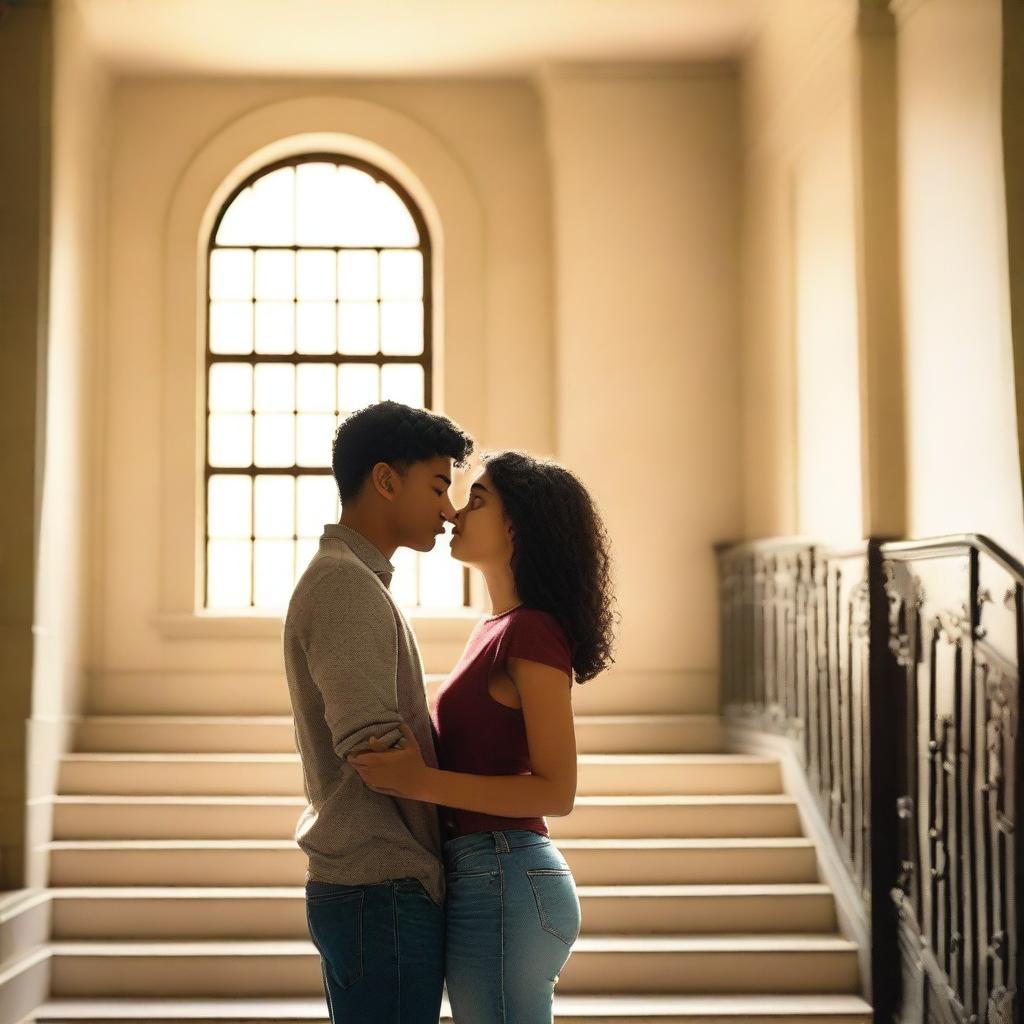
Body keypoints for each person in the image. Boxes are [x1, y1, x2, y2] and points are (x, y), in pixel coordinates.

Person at [348, 449, 618, 1022]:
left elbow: (555, 792)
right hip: (485, 875)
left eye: (478, 499)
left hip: (507, 876)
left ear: (521, 524)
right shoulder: (495, 629)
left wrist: (422, 782)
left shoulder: (533, 632)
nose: (454, 513)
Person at [282, 400, 474, 1024]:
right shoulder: (344, 584)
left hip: (378, 887)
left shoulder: (354, 580)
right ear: (387, 480)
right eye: (439, 486)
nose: (449, 510)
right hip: (380, 887)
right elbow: (373, 749)